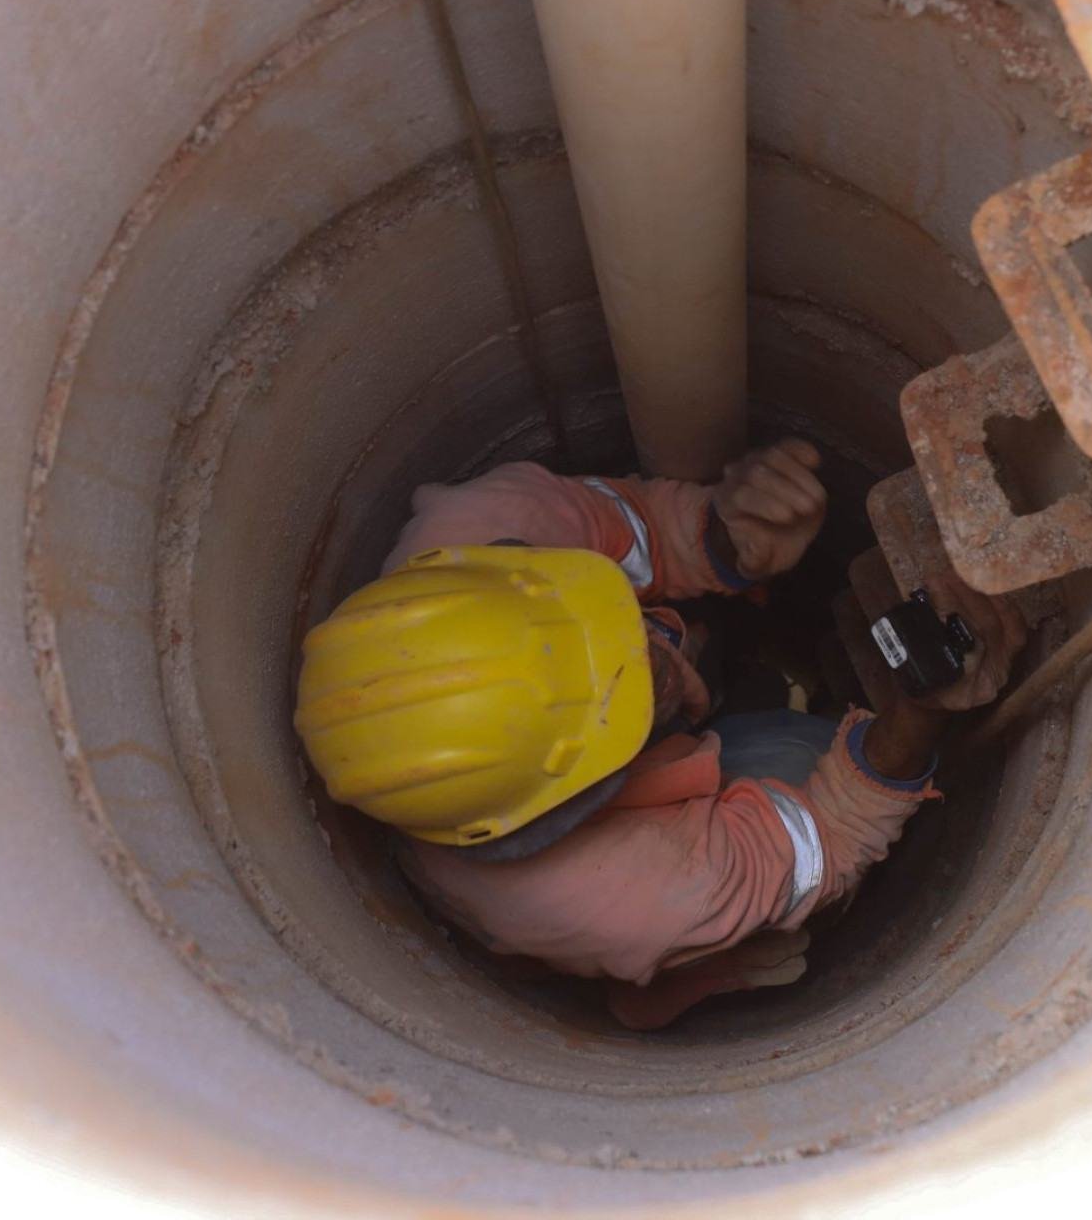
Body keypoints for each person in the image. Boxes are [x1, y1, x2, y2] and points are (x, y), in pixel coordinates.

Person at [292, 440, 1026, 1028]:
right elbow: (828, 840)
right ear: (563, 805)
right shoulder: (628, 896)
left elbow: (636, 528)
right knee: (804, 753)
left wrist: (730, 538)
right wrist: (918, 717)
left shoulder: (482, 532)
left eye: (614, 627)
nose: (653, 657)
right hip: (622, 906)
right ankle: (668, 984)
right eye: (627, 701)